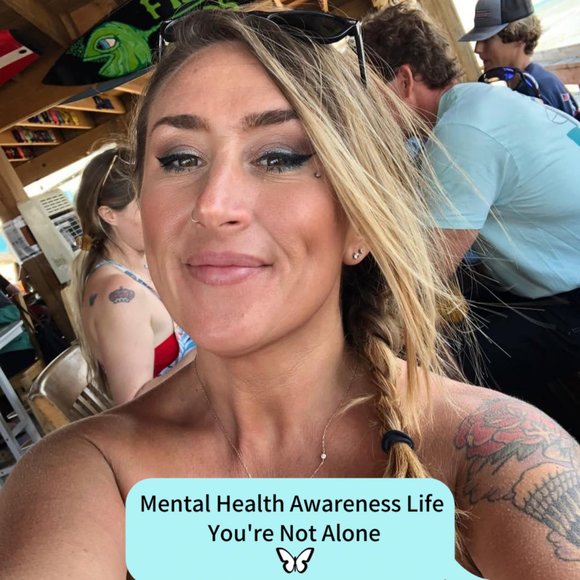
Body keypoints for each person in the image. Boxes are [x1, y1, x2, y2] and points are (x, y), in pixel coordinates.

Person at [0, 7, 578, 579]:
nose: (212, 204)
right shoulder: (87, 472)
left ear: (360, 221)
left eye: (278, 156)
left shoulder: (500, 458)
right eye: (180, 158)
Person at [363, 2, 580, 436]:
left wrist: (361, 335)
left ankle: (547, 456)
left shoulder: (463, 132)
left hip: (570, 301)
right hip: (557, 282)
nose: (367, 112)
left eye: (369, 95)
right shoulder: (478, 104)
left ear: (404, 81)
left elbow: (424, 274)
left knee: (435, 377)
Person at [71, 145, 195, 404]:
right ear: (109, 215)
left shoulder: (143, 265)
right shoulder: (118, 296)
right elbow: (133, 403)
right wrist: (207, 353)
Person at [459, 0, 578, 117]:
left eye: (487, 39)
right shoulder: (541, 79)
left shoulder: (533, 93)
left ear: (519, 36)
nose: (477, 49)